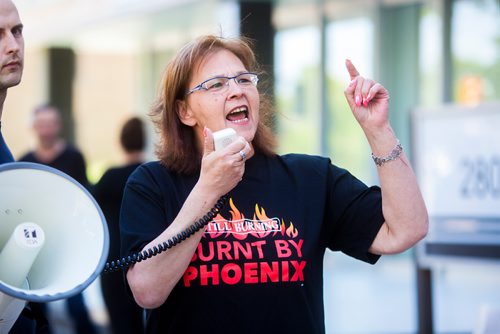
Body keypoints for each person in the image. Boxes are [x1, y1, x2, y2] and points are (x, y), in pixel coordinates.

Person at [119, 35, 429, 333]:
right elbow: (147, 291)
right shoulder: (151, 184)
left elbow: (405, 230)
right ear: (184, 111)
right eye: (216, 85)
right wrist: (209, 189)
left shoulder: (310, 178)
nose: (237, 90)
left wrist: (378, 130)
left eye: (243, 80)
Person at [19, 104, 98, 334]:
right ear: (34, 127)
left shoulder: (74, 157)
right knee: (37, 300)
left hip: (68, 239)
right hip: (36, 241)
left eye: (50, 124)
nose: (46, 130)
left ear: (59, 126)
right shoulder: (25, 160)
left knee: (76, 297)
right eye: (42, 124)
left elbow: (84, 196)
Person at [92, 116, 146, 334]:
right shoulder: (151, 174)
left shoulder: (109, 178)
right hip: (146, 255)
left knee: (119, 324)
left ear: (120, 142)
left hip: (113, 257)